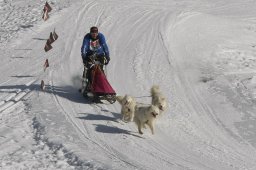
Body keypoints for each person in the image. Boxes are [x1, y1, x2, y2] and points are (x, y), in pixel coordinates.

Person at [81, 26, 110, 93]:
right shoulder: (87, 37)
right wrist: (84, 58)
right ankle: (86, 85)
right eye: (92, 33)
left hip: (100, 54)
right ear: (90, 33)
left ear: (97, 33)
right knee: (88, 69)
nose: (94, 34)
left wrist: (107, 56)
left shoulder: (101, 36)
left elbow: (105, 46)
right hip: (90, 55)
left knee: (100, 70)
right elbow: (84, 48)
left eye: (95, 33)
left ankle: (103, 86)